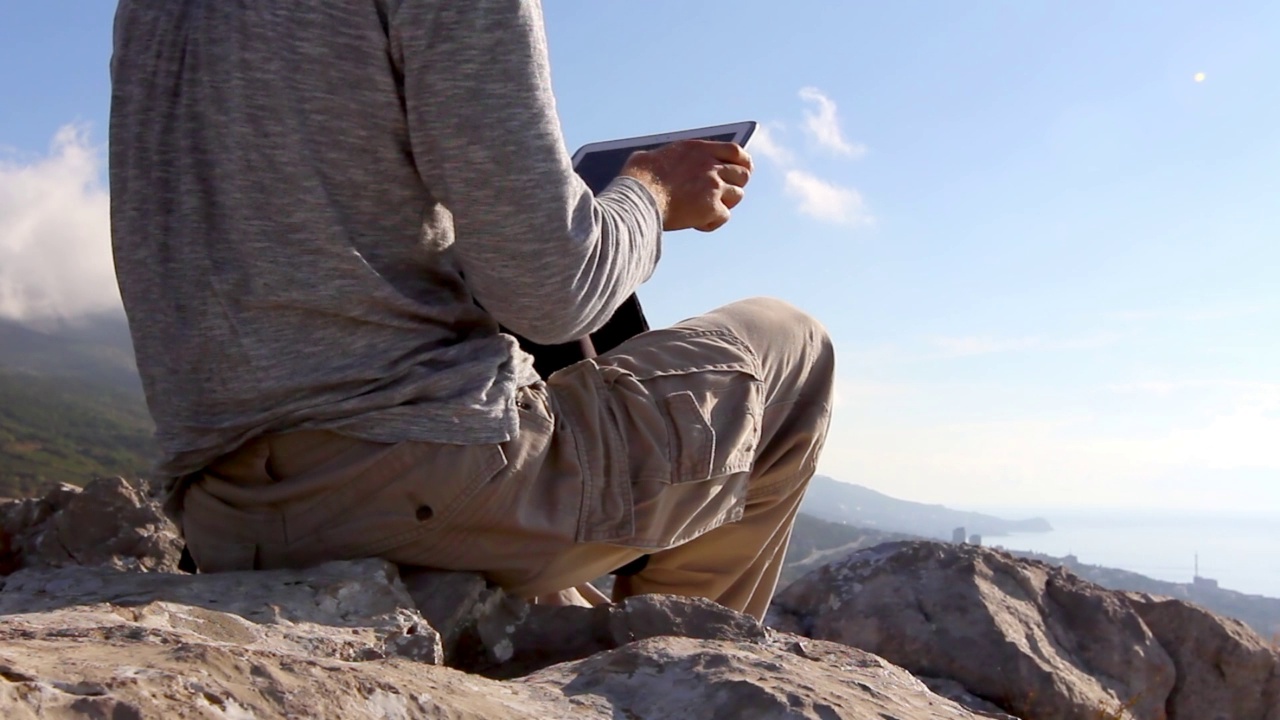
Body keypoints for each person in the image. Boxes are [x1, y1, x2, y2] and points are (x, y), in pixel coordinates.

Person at [109, 0, 833, 621]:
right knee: (791, 346)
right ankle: (666, 666)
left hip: (225, 509)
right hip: (416, 473)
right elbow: (555, 291)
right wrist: (650, 192)